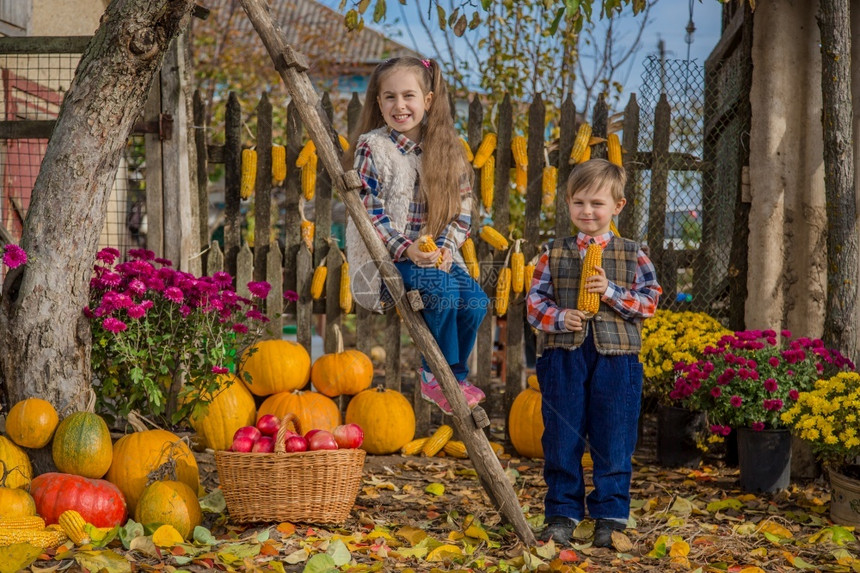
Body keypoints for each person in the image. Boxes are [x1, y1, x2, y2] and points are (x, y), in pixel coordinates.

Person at [526, 159, 662, 548]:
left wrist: (611, 293)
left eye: (597, 204)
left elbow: (650, 303)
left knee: (614, 437)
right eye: (579, 203)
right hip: (562, 358)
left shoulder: (634, 253)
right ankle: (562, 511)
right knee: (561, 437)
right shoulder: (553, 253)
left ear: (618, 207)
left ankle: (610, 514)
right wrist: (559, 315)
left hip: (617, 360)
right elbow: (534, 303)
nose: (588, 212)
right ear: (568, 203)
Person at [344, 56, 489, 414]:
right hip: (383, 261)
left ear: (428, 100)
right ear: (378, 103)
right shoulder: (373, 147)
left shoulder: (447, 151)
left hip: (434, 254)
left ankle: (452, 375)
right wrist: (407, 250)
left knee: (476, 301)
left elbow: (462, 213)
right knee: (441, 289)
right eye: (389, 97)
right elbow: (370, 212)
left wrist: (444, 248)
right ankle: (437, 376)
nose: (400, 105)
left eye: (409, 96)